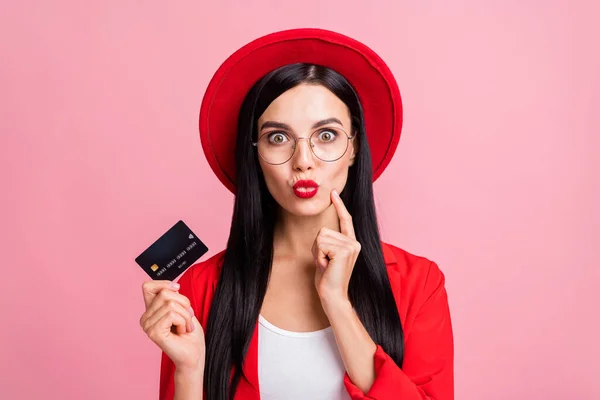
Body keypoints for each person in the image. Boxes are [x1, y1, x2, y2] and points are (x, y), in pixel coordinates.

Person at [139, 28, 454, 400]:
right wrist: (190, 371)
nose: (303, 162)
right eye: (278, 137)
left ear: (355, 148)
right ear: (254, 154)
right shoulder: (200, 289)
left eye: (326, 136)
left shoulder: (419, 283)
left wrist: (337, 303)